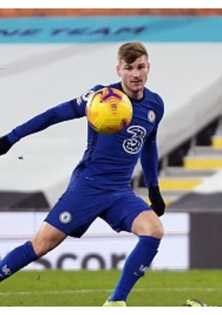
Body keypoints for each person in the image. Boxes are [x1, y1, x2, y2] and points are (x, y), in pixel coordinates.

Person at [0, 42, 166, 306]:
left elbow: (149, 145)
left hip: (119, 192)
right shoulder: (99, 97)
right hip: (87, 187)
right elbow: (55, 114)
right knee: (41, 245)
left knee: (154, 230)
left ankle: (116, 303)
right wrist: (11, 138)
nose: (136, 74)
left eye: (141, 67)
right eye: (129, 68)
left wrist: (154, 188)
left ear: (149, 67)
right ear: (118, 69)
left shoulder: (155, 105)